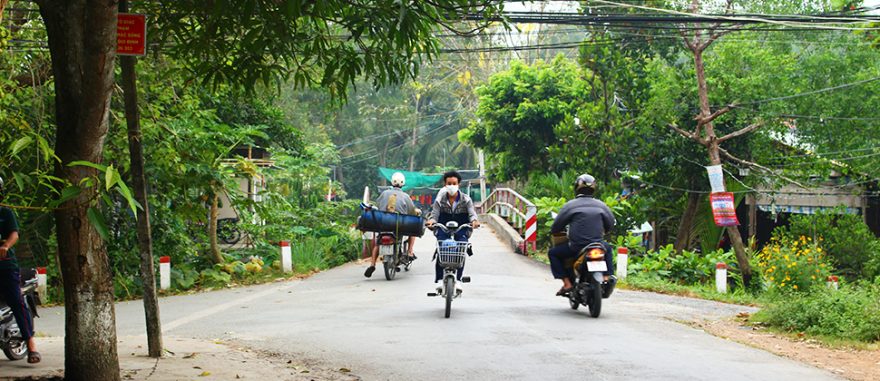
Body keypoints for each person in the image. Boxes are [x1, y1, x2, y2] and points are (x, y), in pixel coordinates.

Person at [548, 174, 615, 296]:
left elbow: (556, 227)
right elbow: (610, 224)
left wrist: (557, 230)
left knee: (553, 253)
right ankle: (606, 276)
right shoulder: (601, 205)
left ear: (576, 188)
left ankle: (567, 283)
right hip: (598, 245)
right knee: (608, 249)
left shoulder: (570, 205)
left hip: (576, 247)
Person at [0, 176, 40, 363]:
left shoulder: (5, 214)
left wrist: (6, 246)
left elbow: (14, 234)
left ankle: (31, 345)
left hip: (6, 266)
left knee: (16, 301)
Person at [425, 171, 480, 292]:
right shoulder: (439, 200)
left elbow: (472, 214)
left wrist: (474, 221)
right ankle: (439, 279)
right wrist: (431, 222)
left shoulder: (466, 199)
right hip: (443, 227)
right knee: (441, 248)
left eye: (454, 183)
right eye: (449, 183)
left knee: (461, 248)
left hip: (462, 227)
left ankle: (459, 280)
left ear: (458, 184)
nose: (451, 186)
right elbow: (434, 215)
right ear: (445, 184)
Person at [364, 172, 419, 278]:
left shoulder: (384, 194)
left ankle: (372, 264)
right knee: (413, 230)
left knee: (377, 243)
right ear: (403, 183)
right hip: (399, 225)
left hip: (383, 223)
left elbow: (378, 205)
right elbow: (411, 211)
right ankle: (410, 252)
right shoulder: (406, 196)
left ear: (392, 182)